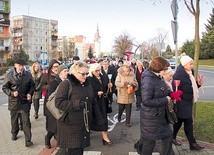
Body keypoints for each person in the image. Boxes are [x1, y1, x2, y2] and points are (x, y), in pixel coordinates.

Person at [55, 61, 104, 155]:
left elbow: (93, 101)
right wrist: (77, 104)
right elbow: (59, 102)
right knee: (74, 151)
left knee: (79, 150)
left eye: (87, 73)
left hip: (83, 125)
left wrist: (99, 119)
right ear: (74, 72)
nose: (85, 76)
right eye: (83, 74)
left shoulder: (87, 84)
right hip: (70, 126)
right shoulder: (66, 84)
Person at [140, 57, 174, 155]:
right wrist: (165, 100)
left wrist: (171, 94)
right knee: (149, 143)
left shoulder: (158, 77)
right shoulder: (148, 80)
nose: (166, 70)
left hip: (160, 116)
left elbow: (163, 90)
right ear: (158, 68)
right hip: (151, 118)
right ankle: (140, 146)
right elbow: (146, 101)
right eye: (165, 69)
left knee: (168, 137)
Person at [172, 55, 204, 150]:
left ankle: (172, 137)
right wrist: (176, 92)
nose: (192, 65)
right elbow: (175, 90)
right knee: (188, 121)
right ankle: (192, 144)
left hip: (188, 101)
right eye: (190, 64)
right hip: (181, 102)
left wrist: (198, 84)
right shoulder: (178, 75)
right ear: (185, 64)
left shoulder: (190, 73)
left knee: (179, 121)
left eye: (192, 64)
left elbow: (191, 87)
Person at [2, 58, 35, 147]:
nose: (21, 67)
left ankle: (28, 140)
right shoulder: (9, 75)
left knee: (26, 122)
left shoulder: (28, 75)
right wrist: (12, 93)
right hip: (14, 102)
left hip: (24, 102)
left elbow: (32, 86)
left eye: (22, 66)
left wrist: (29, 93)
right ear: (15, 65)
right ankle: (14, 133)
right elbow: (4, 87)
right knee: (14, 121)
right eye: (19, 65)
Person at [88, 63, 112, 145]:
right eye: (96, 71)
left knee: (104, 119)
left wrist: (109, 87)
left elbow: (106, 89)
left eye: (99, 70)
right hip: (95, 103)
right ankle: (87, 134)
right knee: (93, 119)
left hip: (103, 102)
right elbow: (87, 92)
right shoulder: (89, 79)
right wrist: (96, 93)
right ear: (92, 71)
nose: (98, 72)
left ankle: (105, 137)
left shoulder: (103, 77)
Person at [45, 64, 68, 149]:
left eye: (67, 71)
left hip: (64, 107)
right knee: (53, 128)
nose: (67, 73)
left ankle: (61, 144)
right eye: (65, 71)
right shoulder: (54, 83)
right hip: (55, 108)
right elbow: (51, 96)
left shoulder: (67, 81)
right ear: (60, 73)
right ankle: (47, 139)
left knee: (61, 127)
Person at [41, 59, 61, 148]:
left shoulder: (61, 75)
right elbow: (40, 86)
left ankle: (57, 137)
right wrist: (50, 86)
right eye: (55, 66)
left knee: (59, 123)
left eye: (58, 66)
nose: (56, 68)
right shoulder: (46, 76)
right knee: (52, 125)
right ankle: (47, 139)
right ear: (51, 67)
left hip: (59, 102)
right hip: (50, 102)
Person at [115, 61, 138, 127]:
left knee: (129, 108)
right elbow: (116, 83)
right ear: (123, 67)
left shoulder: (133, 74)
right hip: (122, 93)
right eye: (126, 67)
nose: (127, 68)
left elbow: (135, 82)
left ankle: (128, 122)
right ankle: (119, 115)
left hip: (130, 93)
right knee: (121, 108)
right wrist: (123, 84)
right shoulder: (120, 74)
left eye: (128, 67)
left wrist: (135, 84)